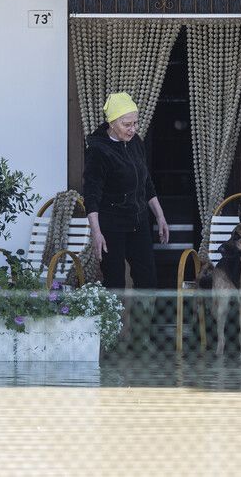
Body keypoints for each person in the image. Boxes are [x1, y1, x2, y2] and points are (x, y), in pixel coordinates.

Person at [82, 92, 169, 342]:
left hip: (139, 221)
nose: (133, 129)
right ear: (111, 123)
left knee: (148, 279)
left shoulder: (136, 142)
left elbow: (147, 184)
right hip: (111, 226)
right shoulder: (98, 151)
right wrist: (96, 233)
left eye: (135, 123)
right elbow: (92, 194)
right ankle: (113, 339)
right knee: (115, 283)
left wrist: (160, 217)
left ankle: (141, 337)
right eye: (127, 124)